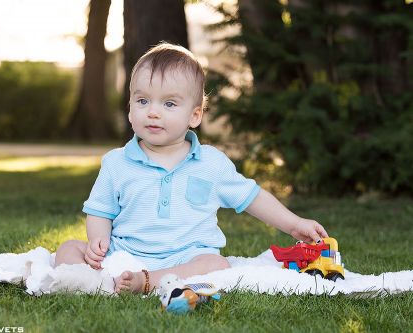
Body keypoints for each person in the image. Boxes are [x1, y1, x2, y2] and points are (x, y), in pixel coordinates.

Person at [55, 42, 328, 294]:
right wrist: (98, 241)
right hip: (125, 254)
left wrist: (294, 224)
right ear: (129, 110)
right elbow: (100, 211)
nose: (153, 111)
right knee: (68, 249)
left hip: (185, 259)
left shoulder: (211, 163)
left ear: (195, 115)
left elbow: (252, 198)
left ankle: (145, 282)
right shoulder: (117, 162)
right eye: (142, 101)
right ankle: (96, 280)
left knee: (216, 264)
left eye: (169, 103)